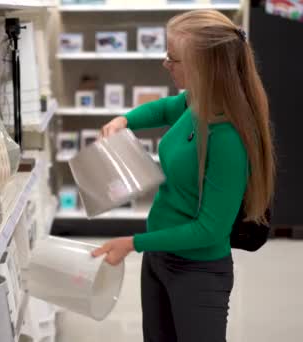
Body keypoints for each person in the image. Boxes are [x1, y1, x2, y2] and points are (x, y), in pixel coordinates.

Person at [91, 9, 275, 342]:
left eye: (173, 58)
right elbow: (165, 108)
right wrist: (124, 120)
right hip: (160, 258)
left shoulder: (228, 139)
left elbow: (209, 229)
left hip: (197, 272)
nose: (166, 63)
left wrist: (133, 243)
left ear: (204, 68)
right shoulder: (199, 102)